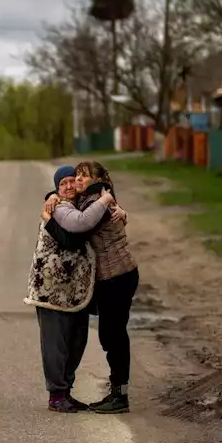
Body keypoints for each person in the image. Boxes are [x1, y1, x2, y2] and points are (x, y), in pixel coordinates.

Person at [42, 161, 138, 414]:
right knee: (110, 336)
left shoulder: (97, 200)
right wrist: (51, 197)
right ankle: (116, 392)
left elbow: (79, 226)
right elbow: (74, 219)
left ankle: (120, 395)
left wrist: (108, 201)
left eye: (82, 176)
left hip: (117, 276)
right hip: (110, 278)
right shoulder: (91, 199)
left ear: (97, 179)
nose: (77, 181)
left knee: (113, 337)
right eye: (76, 177)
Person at [24, 165, 113, 413]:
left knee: (76, 342)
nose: (69, 186)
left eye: (73, 180)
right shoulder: (60, 208)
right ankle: (56, 395)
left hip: (75, 292)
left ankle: (66, 391)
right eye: (62, 183)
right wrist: (49, 210)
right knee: (56, 344)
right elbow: (70, 240)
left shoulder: (79, 205)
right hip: (52, 291)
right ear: (56, 188)